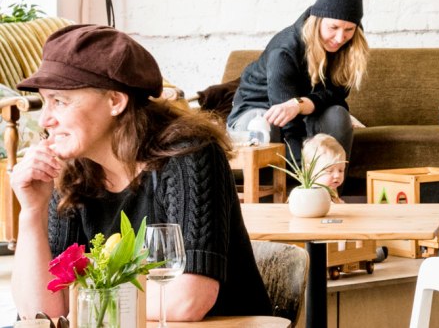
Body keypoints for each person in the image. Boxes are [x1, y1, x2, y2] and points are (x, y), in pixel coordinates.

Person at [9, 25, 271, 321]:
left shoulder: (189, 155)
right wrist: (31, 211)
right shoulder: (73, 173)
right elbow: (44, 313)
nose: (45, 118)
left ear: (115, 101)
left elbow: (187, 301)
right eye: (44, 101)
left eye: (60, 101)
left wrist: (85, 298)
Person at [228, 0, 369, 160]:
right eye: (333, 27)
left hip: (301, 111)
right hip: (258, 110)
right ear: (317, 21)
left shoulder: (347, 49)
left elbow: (336, 96)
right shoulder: (285, 50)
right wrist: (305, 176)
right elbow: (288, 126)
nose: (339, 37)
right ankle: (286, 189)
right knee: (269, 123)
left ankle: (332, 189)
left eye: (349, 29)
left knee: (338, 115)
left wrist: (300, 105)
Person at [301, 133, 349, 204]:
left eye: (340, 170)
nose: (337, 175)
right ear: (309, 171)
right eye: (329, 171)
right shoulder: (309, 196)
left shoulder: (331, 189)